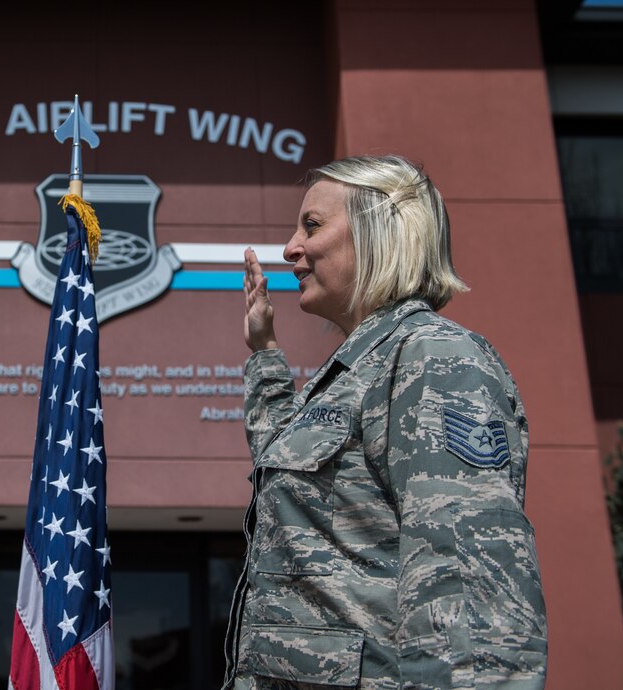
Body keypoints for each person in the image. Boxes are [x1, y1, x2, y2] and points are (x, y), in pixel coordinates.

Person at [222, 155, 547, 689]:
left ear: (379, 232)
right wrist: (264, 356)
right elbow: (287, 475)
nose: (290, 248)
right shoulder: (359, 367)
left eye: (312, 225)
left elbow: (469, 588)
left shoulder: (433, 358)